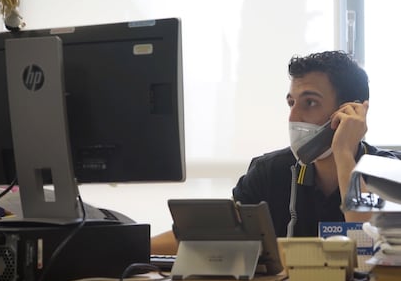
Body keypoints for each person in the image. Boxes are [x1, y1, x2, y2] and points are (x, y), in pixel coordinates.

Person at [151, 50, 400, 254]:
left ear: (349, 112)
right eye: (291, 103)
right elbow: (211, 234)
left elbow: (368, 239)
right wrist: (130, 247)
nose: (293, 116)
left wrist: (344, 153)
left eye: (309, 102)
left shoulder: (390, 172)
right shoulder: (270, 171)